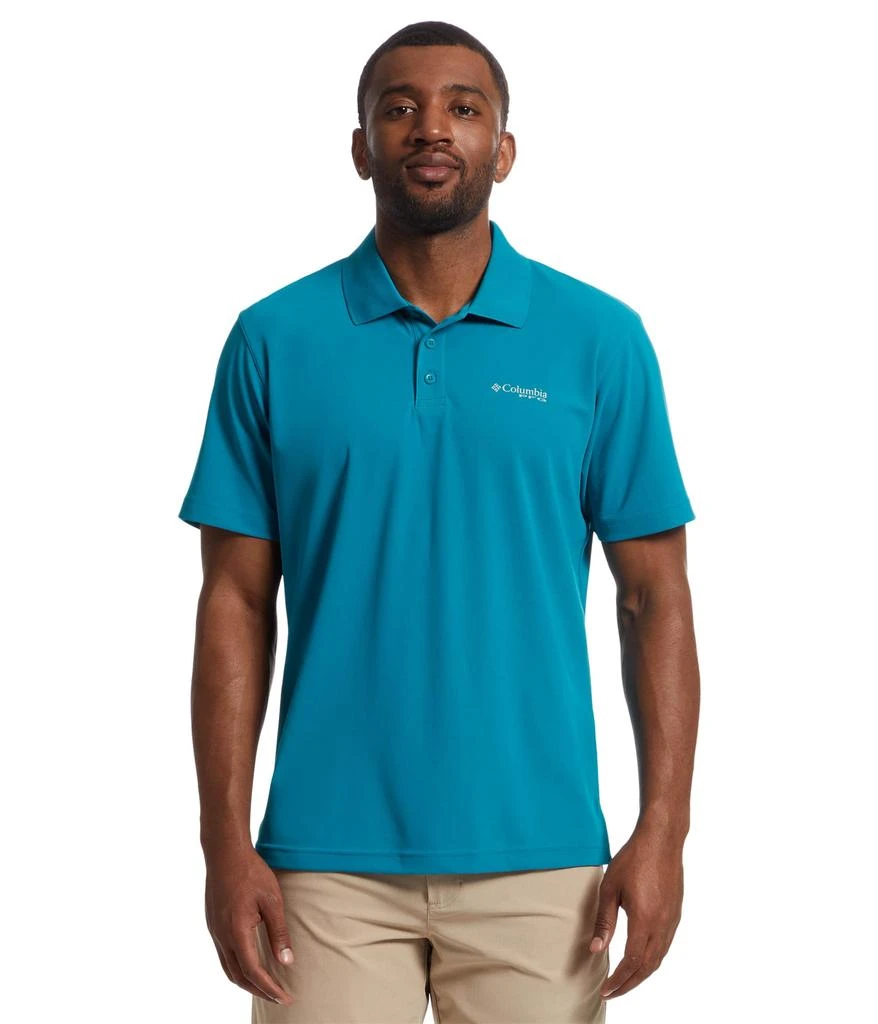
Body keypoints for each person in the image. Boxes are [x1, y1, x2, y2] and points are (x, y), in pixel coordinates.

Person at [178, 19, 700, 1024]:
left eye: (464, 108)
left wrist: (663, 832)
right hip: (320, 864)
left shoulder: (599, 340)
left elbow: (654, 597)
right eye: (399, 107)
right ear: (360, 147)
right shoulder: (272, 339)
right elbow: (234, 601)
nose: (431, 128)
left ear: (502, 150)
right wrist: (223, 845)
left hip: (544, 861)